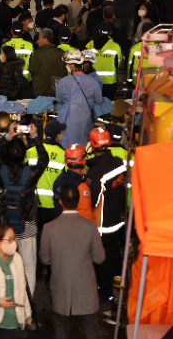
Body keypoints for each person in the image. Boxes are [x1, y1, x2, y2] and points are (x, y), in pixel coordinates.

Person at [0, 122, 48, 303]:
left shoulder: (1, 171)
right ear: (25, 156)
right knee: (29, 269)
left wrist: (7, 136)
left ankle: (5, 304)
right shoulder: (30, 174)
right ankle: (27, 309)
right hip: (28, 224)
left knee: (3, 268)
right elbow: (44, 158)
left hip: (5, 227)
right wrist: (35, 137)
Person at [39, 184, 106, 339]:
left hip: (60, 287)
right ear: (79, 201)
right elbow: (99, 258)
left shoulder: (49, 228)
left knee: (61, 326)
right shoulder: (90, 227)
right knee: (91, 326)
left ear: (60, 202)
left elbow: (45, 259)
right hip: (86, 288)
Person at [84, 127, 126, 302]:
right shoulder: (118, 162)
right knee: (115, 254)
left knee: (101, 259)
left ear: (92, 145)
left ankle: (105, 293)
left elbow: (92, 202)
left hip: (103, 223)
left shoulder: (95, 174)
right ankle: (118, 284)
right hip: (118, 218)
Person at [57, 50, 103, 148]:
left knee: (67, 147)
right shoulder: (93, 82)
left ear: (72, 65)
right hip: (86, 118)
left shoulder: (63, 82)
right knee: (83, 147)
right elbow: (99, 100)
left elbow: (59, 99)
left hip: (67, 119)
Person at [51, 144, 93, 220]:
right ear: (83, 162)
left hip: (58, 226)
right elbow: (86, 216)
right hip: (75, 229)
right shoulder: (82, 186)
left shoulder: (58, 179)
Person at [85, 21, 121, 100]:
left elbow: (86, 65)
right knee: (108, 105)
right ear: (110, 32)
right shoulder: (116, 47)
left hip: (92, 81)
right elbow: (117, 65)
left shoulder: (90, 45)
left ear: (99, 31)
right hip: (109, 82)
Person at [29, 28, 67, 97]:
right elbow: (65, 72)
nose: (37, 41)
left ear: (45, 39)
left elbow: (32, 69)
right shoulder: (60, 53)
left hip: (40, 92)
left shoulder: (38, 53)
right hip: (56, 92)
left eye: (39, 38)